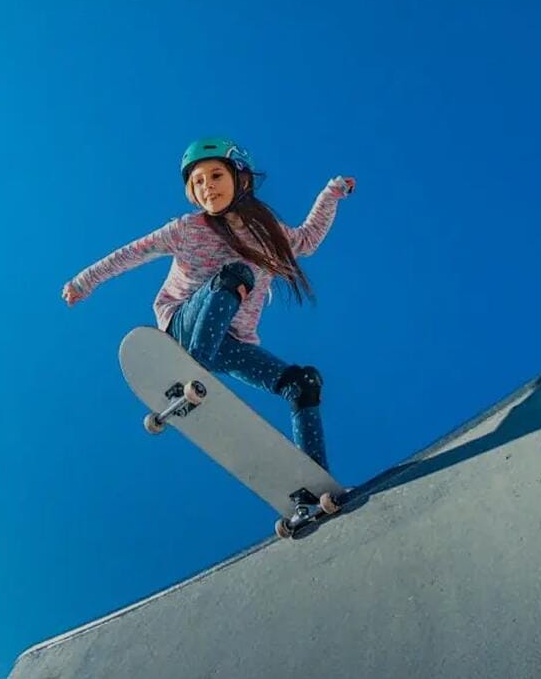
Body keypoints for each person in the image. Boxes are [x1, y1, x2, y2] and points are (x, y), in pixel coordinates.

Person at [61, 137, 355, 471]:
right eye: (198, 182)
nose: (207, 187)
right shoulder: (187, 228)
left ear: (240, 178)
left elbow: (307, 239)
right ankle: (190, 369)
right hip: (184, 328)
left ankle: (315, 488)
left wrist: (331, 194)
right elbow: (131, 254)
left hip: (228, 344)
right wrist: (84, 282)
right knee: (236, 275)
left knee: (302, 383)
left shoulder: (269, 233)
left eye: (215, 176)